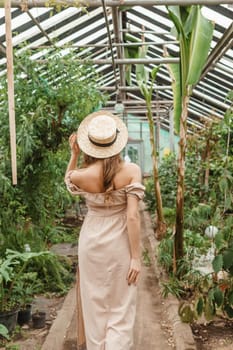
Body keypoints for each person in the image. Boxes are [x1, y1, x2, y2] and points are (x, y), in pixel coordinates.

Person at [64, 110, 145, 350]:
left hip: (91, 241)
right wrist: (136, 257)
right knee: (121, 306)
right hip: (119, 241)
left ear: (90, 145)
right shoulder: (131, 171)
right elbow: (132, 216)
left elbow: (68, 177)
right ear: (117, 143)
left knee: (95, 303)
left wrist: (74, 154)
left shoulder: (82, 175)